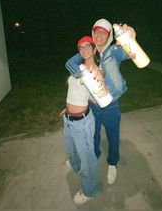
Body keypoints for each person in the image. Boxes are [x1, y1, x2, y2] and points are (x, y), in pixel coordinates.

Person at [65, 19, 136, 185]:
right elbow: (70, 63)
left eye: (103, 32)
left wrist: (130, 35)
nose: (99, 34)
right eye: (96, 31)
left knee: (112, 136)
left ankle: (112, 163)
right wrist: (86, 50)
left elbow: (127, 52)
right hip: (92, 106)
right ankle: (93, 156)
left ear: (109, 35)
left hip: (110, 106)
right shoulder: (88, 53)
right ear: (92, 34)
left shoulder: (113, 51)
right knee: (93, 136)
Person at [61, 36, 99, 205]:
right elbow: (73, 90)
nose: (83, 50)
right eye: (80, 48)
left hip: (82, 123)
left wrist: (97, 83)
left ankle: (89, 190)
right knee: (71, 147)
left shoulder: (96, 72)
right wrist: (68, 108)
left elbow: (98, 97)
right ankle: (75, 164)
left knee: (88, 159)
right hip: (69, 117)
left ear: (94, 49)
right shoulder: (78, 68)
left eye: (87, 47)